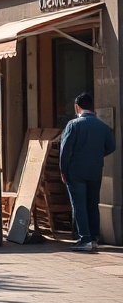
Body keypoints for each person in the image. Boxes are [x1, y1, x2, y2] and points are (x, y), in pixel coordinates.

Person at [60, 92, 115, 252]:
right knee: (92, 204)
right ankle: (94, 237)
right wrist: (97, 155)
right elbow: (111, 146)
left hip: (76, 171)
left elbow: (65, 150)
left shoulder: (73, 125)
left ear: (77, 107)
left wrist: (63, 170)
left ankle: (84, 239)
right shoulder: (103, 127)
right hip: (95, 170)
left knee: (79, 205)